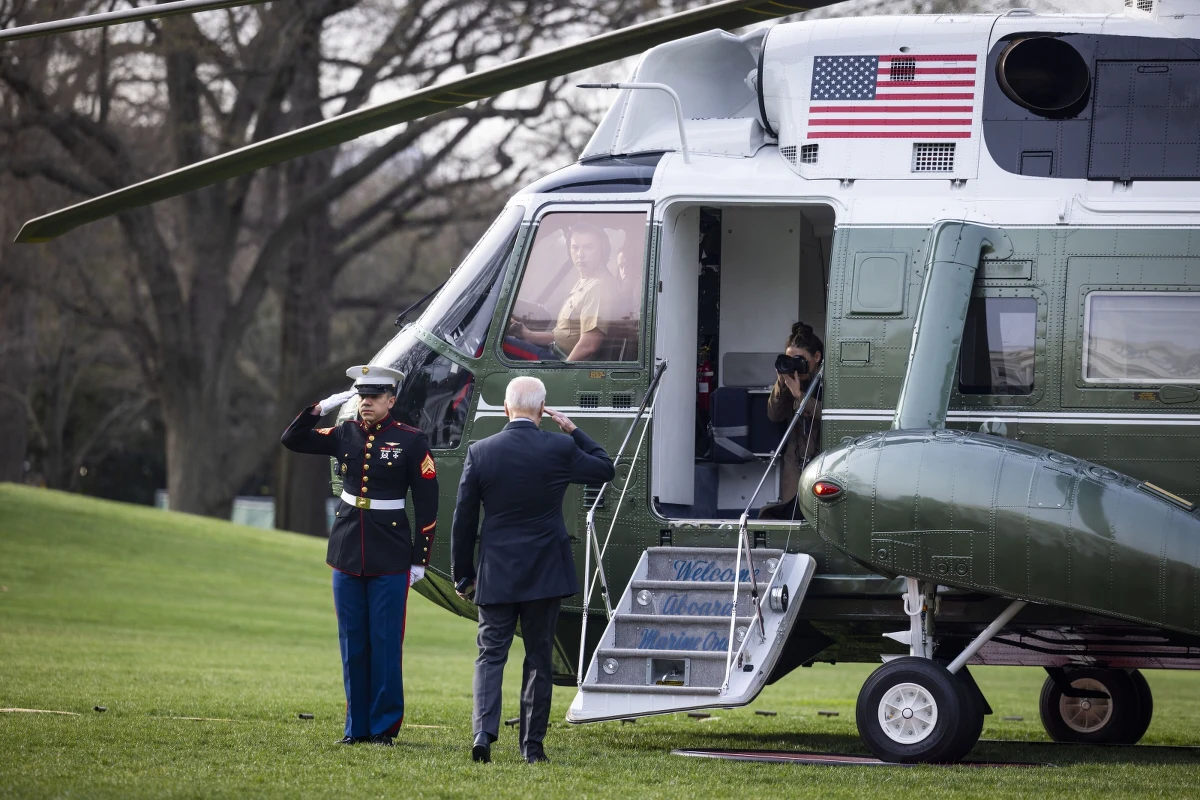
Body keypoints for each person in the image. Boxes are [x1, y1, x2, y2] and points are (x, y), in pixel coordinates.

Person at [450, 376, 615, 764]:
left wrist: (463, 573)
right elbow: (605, 469)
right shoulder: (559, 447)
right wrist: (574, 430)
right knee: (539, 657)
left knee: (490, 654)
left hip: (497, 571)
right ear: (542, 411)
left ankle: (483, 734)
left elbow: (463, 520)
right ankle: (532, 746)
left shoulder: (481, 452)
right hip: (545, 571)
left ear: (506, 408)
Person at [280, 365, 439, 747]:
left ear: (390, 400)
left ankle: (384, 728)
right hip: (348, 547)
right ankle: (356, 728)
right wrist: (321, 406)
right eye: (361, 396)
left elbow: (428, 502)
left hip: (391, 551)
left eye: (373, 397)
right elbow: (292, 438)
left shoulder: (411, 441)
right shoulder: (344, 433)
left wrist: (420, 559)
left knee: (385, 642)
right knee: (352, 642)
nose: (365, 402)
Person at [506, 223, 618, 361]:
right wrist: (528, 335)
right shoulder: (585, 280)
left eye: (588, 247)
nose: (580, 254)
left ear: (603, 250)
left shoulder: (597, 288)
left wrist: (562, 374)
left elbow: (589, 345)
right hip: (556, 351)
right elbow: (565, 336)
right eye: (575, 247)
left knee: (499, 344)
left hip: (562, 361)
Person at [759, 322, 823, 521]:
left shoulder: (827, 381)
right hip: (794, 460)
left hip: (821, 457)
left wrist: (800, 395)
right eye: (791, 359)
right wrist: (782, 384)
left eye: (800, 359)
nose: (795, 364)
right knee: (791, 518)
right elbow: (774, 415)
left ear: (817, 357)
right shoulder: (790, 382)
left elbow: (827, 414)